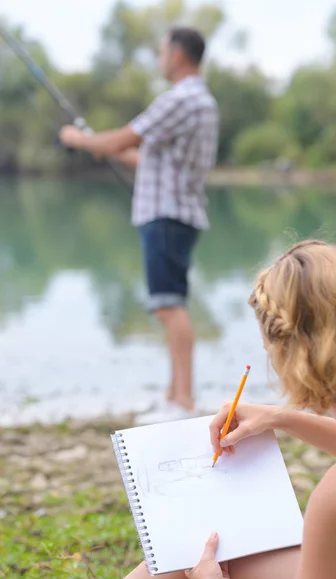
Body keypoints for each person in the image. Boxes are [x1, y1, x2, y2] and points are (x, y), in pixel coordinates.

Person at [98, 240, 336, 579]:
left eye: (269, 350)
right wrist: (281, 418)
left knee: (208, 545)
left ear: (294, 355)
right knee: (228, 539)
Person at [60, 27, 219, 424]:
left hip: (166, 214)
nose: (160, 58)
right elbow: (146, 155)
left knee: (169, 305)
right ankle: (174, 396)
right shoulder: (202, 101)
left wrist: (80, 140)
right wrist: (103, 146)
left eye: (162, 51)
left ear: (178, 55)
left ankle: (183, 402)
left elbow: (124, 140)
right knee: (170, 304)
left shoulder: (179, 98)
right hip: (179, 213)